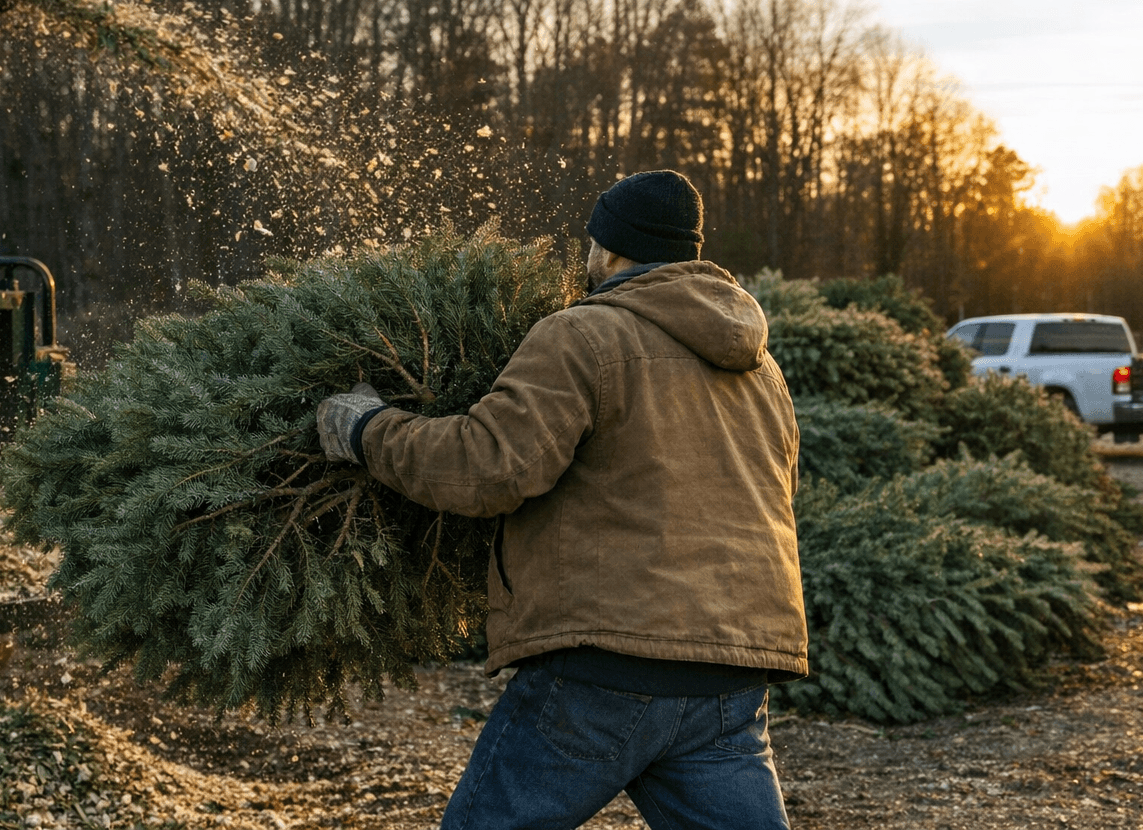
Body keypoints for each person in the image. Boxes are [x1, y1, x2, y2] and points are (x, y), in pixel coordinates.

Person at [317, 170, 806, 830]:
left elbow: (488, 466)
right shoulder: (760, 368)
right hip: (731, 675)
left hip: (603, 671)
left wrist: (367, 428)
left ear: (607, 248)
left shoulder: (582, 335)